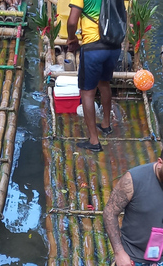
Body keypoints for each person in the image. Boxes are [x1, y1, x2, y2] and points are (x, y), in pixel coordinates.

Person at [67, 0, 121, 152]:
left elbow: (72, 22)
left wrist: (72, 38)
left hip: (93, 48)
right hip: (113, 45)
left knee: (87, 92)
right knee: (104, 83)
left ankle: (93, 140)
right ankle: (105, 124)